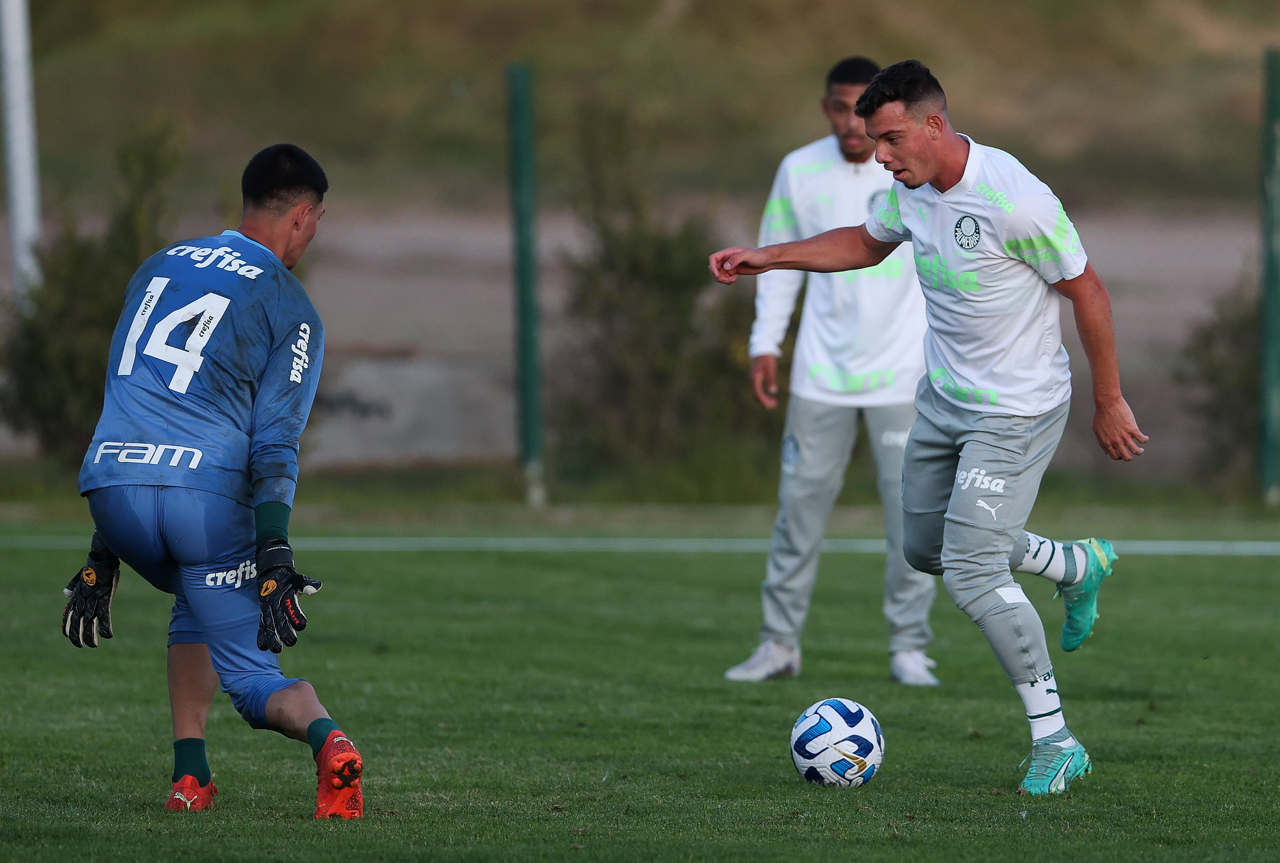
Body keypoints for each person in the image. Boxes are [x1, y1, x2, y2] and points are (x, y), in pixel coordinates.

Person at [709, 60, 1148, 795]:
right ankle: (1073, 566)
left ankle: (1056, 739)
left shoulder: (1015, 199)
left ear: (934, 125)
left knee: (973, 569)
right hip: (942, 400)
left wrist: (1110, 399)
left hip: (1016, 407)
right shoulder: (910, 191)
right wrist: (771, 257)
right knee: (926, 549)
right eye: (875, 140)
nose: (877, 153)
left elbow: (1089, 291)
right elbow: (864, 243)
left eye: (890, 139)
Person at [60, 144, 363, 818]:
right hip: (202, 506)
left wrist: (103, 549)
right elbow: (275, 443)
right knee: (254, 680)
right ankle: (330, 741)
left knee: (194, 598)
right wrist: (274, 550)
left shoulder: (158, 265)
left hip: (111, 491)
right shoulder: (291, 306)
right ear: (303, 216)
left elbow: (133, 400)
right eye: (318, 222)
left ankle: (190, 777)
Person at [724, 56, 941, 687]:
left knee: (911, 521)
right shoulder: (799, 169)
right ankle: (779, 645)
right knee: (797, 515)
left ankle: (909, 648)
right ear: (826, 109)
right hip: (820, 376)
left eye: (860, 111)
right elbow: (775, 263)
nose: (851, 123)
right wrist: (765, 343)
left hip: (901, 375)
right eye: (840, 109)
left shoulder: (911, 169)